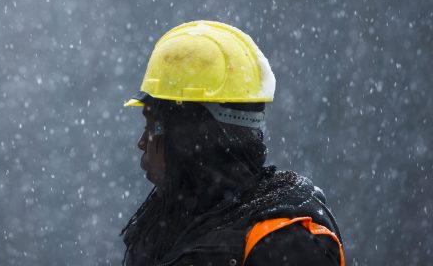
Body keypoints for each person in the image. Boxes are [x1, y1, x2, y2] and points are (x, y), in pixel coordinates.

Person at [121, 20, 344, 266]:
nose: (141, 142)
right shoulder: (163, 231)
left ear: (192, 138)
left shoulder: (287, 243)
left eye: (154, 126)